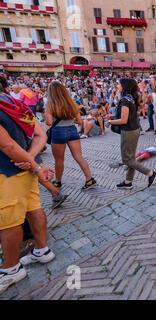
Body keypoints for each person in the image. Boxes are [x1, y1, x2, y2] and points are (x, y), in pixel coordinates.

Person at [0, 74, 56, 294]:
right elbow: (41, 135)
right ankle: (43, 250)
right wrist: (33, 162)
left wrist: (30, 164)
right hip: (28, 169)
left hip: (7, 172)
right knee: (34, 209)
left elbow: (7, 146)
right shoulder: (16, 103)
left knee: (9, 221)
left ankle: (11, 269)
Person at [105, 78, 156, 189]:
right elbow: (129, 115)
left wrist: (110, 121)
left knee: (127, 160)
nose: (117, 86)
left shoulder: (125, 100)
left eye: (119, 84)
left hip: (128, 131)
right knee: (131, 159)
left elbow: (123, 120)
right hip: (134, 129)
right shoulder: (131, 98)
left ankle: (150, 173)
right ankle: (128, 182)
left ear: (124, 86)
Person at [45, 81, 97, 190]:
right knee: (79, 157)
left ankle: (58, 182)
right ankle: (89, 179)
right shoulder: (72, 103)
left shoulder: (50, 104)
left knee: (59, 160)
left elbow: (49, 122)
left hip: (58, 132)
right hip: (72, 130)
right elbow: (79, 121)